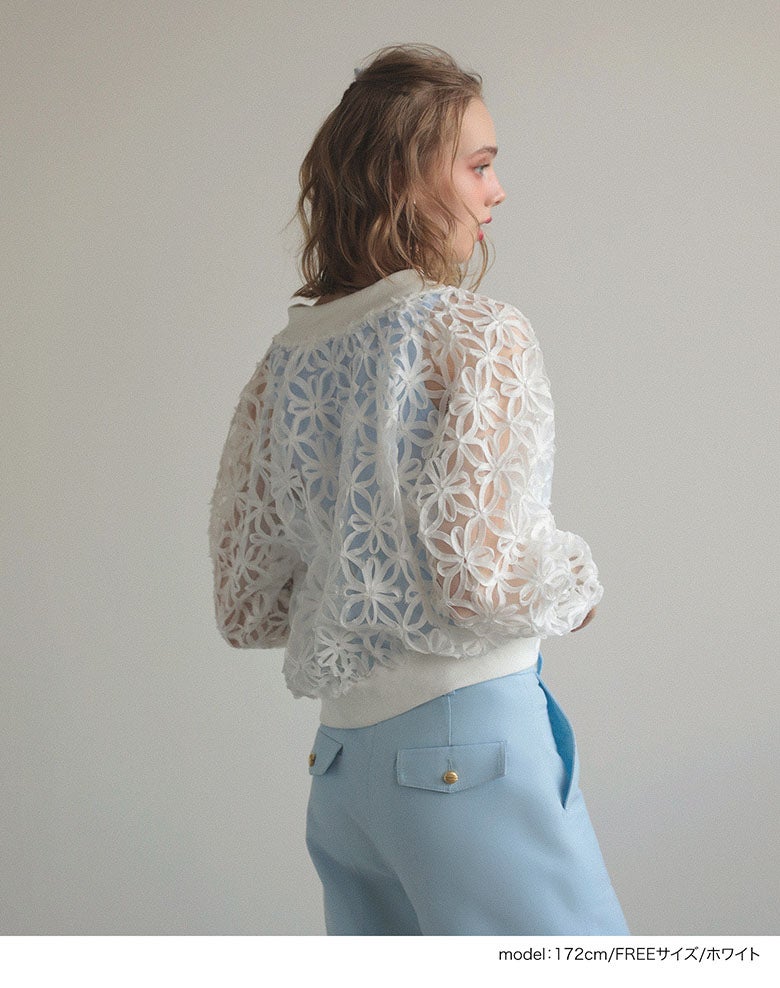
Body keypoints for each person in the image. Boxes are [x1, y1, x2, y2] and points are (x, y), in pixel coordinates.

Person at [209, 44, 629, 936]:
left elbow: (247, 606)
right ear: (404, 177)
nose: (497, 192)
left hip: (344, 774)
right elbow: (478, 581)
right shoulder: (477, 332)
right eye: (478, 166)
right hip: (465, 757)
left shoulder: (285, 365)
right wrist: (577, 584)